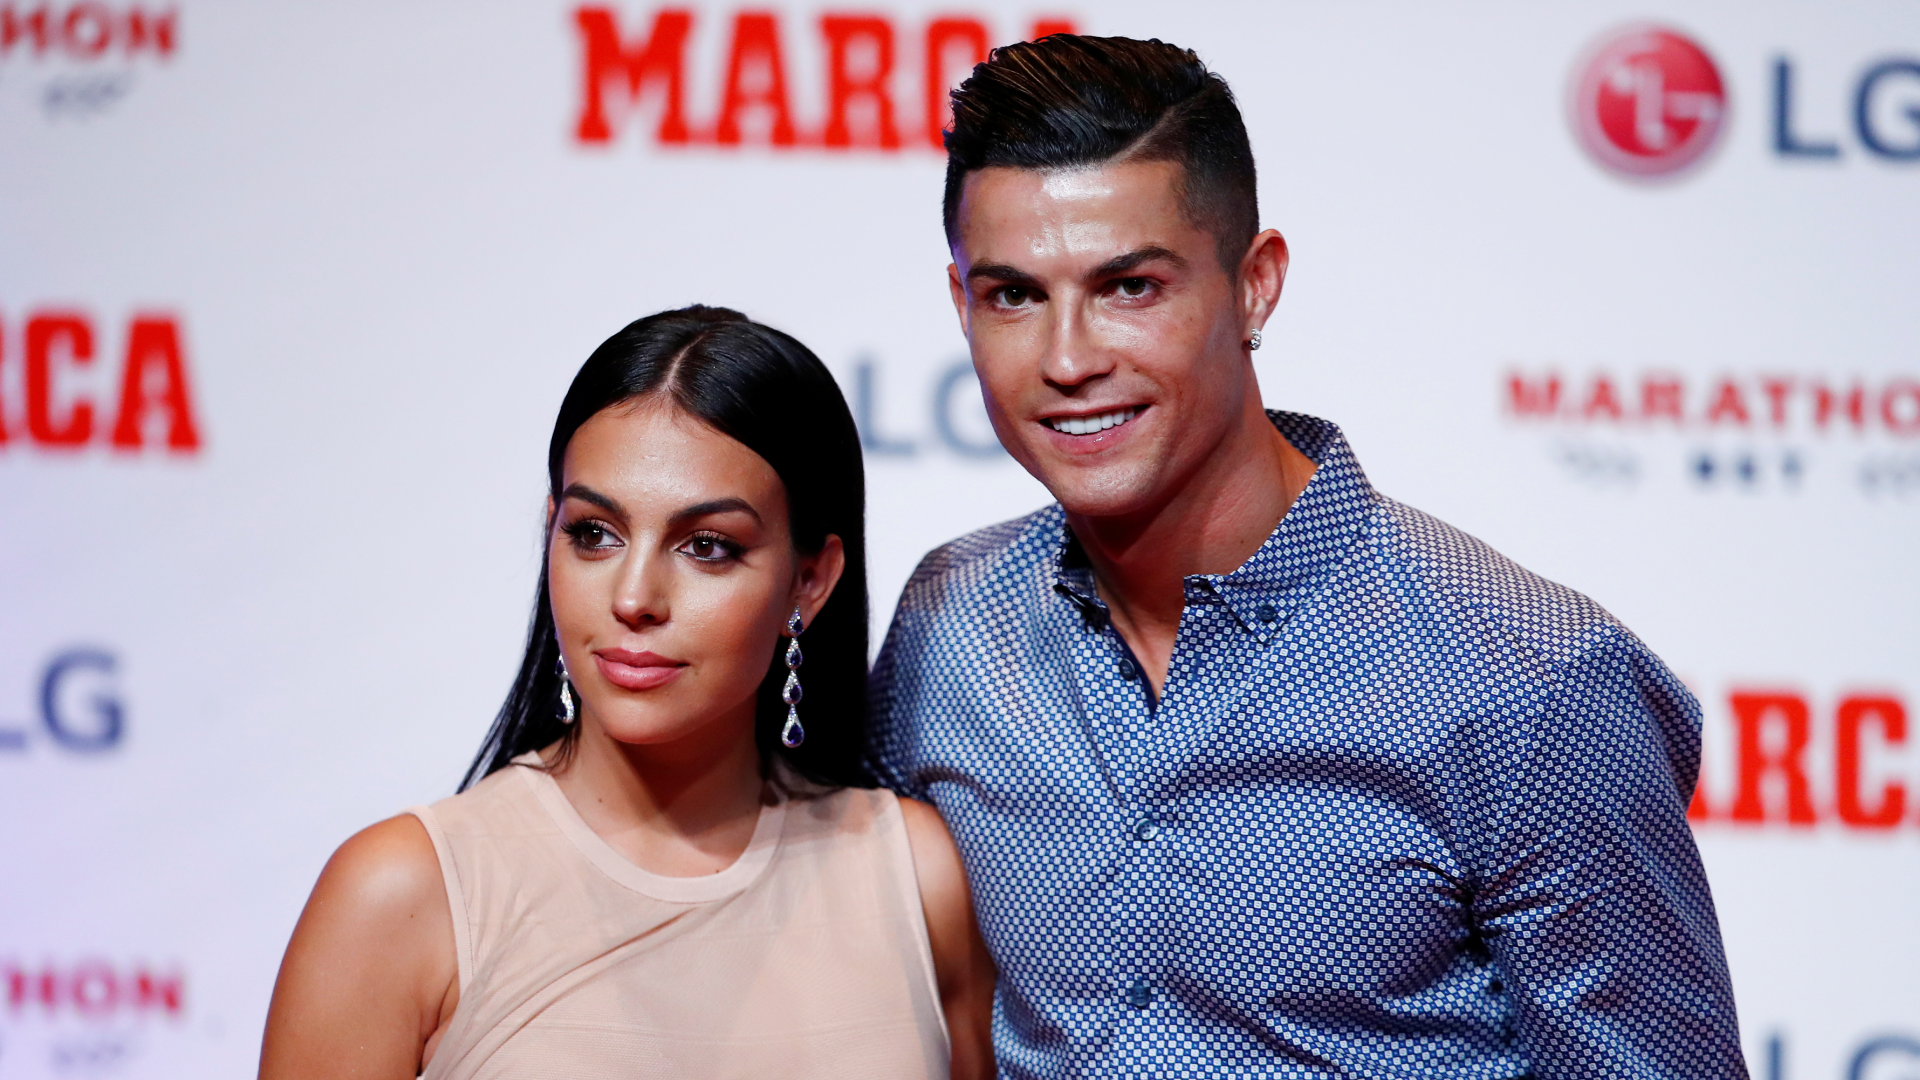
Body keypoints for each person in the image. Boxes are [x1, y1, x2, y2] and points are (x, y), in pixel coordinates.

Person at [869, 35, 1747, 1079]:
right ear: (961, 302)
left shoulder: (1531, 682)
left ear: (1255, 286)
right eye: (1013, 295)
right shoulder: (950, 623)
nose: (1068, 359)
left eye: (1130, 287)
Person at [261, 307, 995, 1080]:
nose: (635, 596)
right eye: (594, 534)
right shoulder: (402, 894)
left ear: (809, 579)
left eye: (707, 547)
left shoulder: (918, 876)